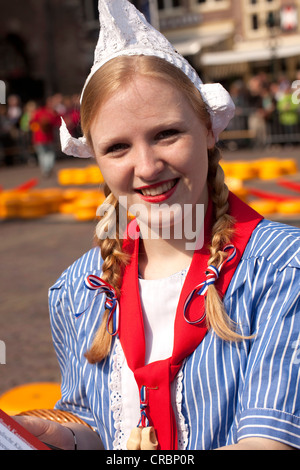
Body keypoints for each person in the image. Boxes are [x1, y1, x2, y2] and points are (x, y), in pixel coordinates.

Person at [14, 0, 299, 451]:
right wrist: (65, 437)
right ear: (97, 160)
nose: (146, 166)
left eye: (167, 134)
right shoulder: (75, 291)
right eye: (117, 148)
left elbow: (269, 444)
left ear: (207, 128)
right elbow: (98, 425)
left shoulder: (284, 269)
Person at [30, 96, 60, 177]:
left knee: (43, 154)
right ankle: (47, 169)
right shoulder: (50, 112)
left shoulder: (38, 112)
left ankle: (46, 170)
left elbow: (31, 123)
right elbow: (57, 122)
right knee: (48, 154)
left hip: (40, 137)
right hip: (45, 137)